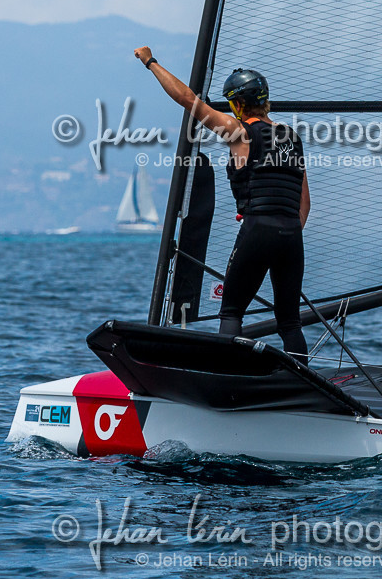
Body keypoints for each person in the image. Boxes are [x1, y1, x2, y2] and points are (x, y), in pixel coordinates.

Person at [133, 46, 310, 357]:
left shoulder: (238, 130)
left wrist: (151, 62)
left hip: (258, 230)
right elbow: (304, 203)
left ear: (238, 104)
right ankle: (306, 385)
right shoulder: (291, 137)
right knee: (290, 322)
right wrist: (286, 234)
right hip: (292, 235)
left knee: (231, 313)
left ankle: (230, 381)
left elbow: (188, 100)